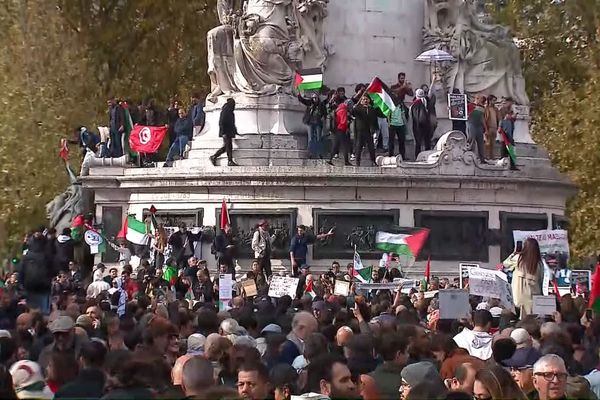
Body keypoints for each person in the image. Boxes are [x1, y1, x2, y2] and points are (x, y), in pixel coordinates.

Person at [19, 233, 56, 315]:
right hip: (44, 288)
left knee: (31, 312)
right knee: (43, 313)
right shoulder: (47, 255)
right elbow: (53, 270)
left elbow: (21, 271)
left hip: (29, 288)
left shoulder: (27, 256)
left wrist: (21, 286)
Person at [369, 333, 409, 399]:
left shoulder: (370, 378)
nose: (408, 355)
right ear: (398, 354)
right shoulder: (407, 384)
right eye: (407, 352)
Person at [512, 238, 544, 317]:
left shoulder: (518, 259)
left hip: (518, 298)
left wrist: (514, 253)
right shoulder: (539, 264)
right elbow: (541, 281)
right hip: (534, 299)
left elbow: (505, 264)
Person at [352, 95, 381, 167]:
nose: (365, 101)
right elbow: (353, 113)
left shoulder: (372, 109)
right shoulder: (358, 108)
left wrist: (374, 127)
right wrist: (353, 108)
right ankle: (357, 162)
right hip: (360, 130)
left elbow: (374, 119)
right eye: (363, 99)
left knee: (371, 146)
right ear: (361, 101)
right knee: (359, 146)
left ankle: (373, 160)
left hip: (368, 130)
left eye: (366, 99)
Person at [210, 98, 239, 166]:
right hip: (226, 132)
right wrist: (223, 133)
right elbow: (222, 122)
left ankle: (215, 157)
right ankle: (228, 160)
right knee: (228, 146)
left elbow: (231, 123)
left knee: (227, 146)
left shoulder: (228, 110)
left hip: (228, 131)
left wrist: (235, 131)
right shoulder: (227, 110)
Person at [298, 92, 327, 159]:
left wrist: (323, 118)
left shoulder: (321, 105)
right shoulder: (310, 103)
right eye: (313, 98)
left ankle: (319, 153)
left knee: (318, 138)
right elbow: (302, 100)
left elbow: (325, 113)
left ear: (318, 98)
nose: (314, 99)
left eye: (316, 98)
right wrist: (299, 94)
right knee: (310, 139)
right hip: (310, 122)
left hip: (318, 123)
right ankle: (310, 153)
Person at [410, 88, 434, 159]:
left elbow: (411, 116)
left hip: (417, 126)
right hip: (426, 125)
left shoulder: (414, 104)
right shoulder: (426, 101)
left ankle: (417, 157)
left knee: (418, 143)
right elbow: (430, 94)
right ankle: (428, 156)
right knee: (427, 141)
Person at [328, 99, 352, 166]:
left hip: (335, 130)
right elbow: (343, 122)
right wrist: (348, 123)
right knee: (345, 146)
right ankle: (346, 161)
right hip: (341, 130)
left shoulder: (339, 108)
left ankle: (330, 159)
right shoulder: (344, 110)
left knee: (335, 146)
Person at [388, 91, 409, 159]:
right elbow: (387, 114)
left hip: (401, 125)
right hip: (392, 125)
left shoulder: (401, 104)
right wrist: (388, 122)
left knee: (402, 141)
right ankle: (390, 155)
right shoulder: (390, 105)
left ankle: (403, 156)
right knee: (391, 141)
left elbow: (406, 111)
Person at [467, 95, 486, 163]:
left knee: (480, 142)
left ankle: (482, 159)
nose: (482, 101)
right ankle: (469, 156)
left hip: (479, 126)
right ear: (477, 98)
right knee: (471, 139)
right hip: (472, 123)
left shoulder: (482, 107)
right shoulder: (470, 105)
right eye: (481, 99)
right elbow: (465, 112)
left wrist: (485, 127)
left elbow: (482, 118)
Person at [483, 94, 499, 159]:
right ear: (489, 101)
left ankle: (492, 156)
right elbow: (485, 118)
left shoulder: (495, 109)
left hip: (494, 127)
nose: (494, 102)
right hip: (489, 127)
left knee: (493, 143)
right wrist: (486, 129)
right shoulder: (486, 109)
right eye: (493, 100)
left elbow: (498, 118)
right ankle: (486, 156)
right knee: (488, 143)